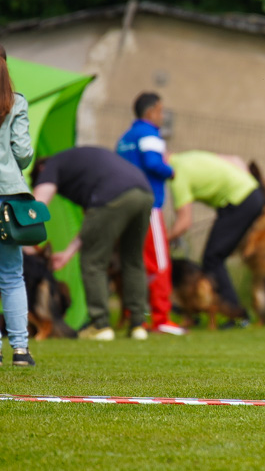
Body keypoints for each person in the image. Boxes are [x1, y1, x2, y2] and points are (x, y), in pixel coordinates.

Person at [31, 146, 154, 341]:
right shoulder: (79, 164)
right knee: (133, 260)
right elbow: (92, 223)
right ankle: (139, 325)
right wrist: (67, 253)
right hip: (144, 192)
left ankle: (100, 325)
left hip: (112, 195)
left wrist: (25, 241)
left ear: (40, 169)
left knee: (93, 262)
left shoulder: (49, 165)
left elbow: (38, 204)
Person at [166, 150, 265, 324]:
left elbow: (184, 222)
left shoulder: (176, 174)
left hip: (240, 201)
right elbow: (234, 158)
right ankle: (199, 312)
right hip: (248, 195)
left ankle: (236, 315)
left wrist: (161, 241)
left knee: (213, 257)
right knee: (214, 257)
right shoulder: (185, 158)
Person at [116, 92, 186, 336]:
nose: (163, 116)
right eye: (161, 111)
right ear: (152, 111)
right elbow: (154, 163)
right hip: (149, 205)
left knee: (135, 262)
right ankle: (160, 317)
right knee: (159, 262)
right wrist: (172, 171)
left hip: (125, 206)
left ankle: (134, 315)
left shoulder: (125, 138)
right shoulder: (149, 133)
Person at [0, 43, 36, 366]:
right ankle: (20, 351)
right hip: (8, 197)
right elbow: (24, 153)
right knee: (12, 275)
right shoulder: (16, 103)